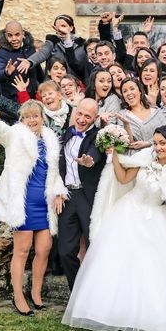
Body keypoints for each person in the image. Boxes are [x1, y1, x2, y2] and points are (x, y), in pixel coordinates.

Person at [62, 126, 166, 331]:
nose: (158, 147)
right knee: (117, 265)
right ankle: (113, 313)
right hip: (126, 213)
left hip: (155, 221)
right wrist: (114, 153)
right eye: (155, 142)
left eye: (163, 143)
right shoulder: (145, 158)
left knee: (150, 270)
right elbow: (123, 178)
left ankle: (147, 317)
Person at [0, 98, 68, 316]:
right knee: (22, 250)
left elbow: (54, 173)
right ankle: (18, 296)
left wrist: (59, 192)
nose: (31, 120)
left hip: (43, 205)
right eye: (27, 117)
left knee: (44, 250)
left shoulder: (51, 139)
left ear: (42, 117)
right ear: (22, 119)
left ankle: (36, 293)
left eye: (35, 116)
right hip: (23, 205)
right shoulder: (15, 135)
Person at [57, 98, 106, 290]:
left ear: (94, 118)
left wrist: (90, 160)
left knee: (95, 246)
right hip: (68, 196)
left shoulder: (98, 135)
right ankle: (77, 291)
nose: (82, 119)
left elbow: (96, 152)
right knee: (65, 250)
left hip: (87, 197)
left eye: (88, 116)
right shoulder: (68, 132)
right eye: (80, 114)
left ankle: (98, 292)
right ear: (74, 112)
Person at [116, 77, 166, 152]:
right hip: (137, 159)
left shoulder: (156, 111)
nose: (129, 93)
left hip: (161, 155)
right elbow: (129, 144)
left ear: (140, 91)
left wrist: (147, 143)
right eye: (125, 91)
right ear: (123, 96)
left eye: (132, 89)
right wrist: (126, 124)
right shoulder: (122, 115)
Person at [0, 21, 41, 102]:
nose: (14, 39)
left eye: (17, 34)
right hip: (14, 101)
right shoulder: (1, 53)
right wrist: (6, 73)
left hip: (34, 98)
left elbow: (38, 70)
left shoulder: (30, 48)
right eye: (10, 35)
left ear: (23, 34)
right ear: (6, 36)